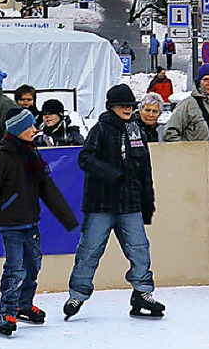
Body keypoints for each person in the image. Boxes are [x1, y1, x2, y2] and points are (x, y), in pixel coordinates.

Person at [0, 108, 78, 336]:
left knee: (33, 264)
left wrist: (67, 218)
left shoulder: (31, 153)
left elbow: (47, 188)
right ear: (17, 130)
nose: (34, 130)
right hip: (10, 223)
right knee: (15, 269)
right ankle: (6, 311)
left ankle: (23, 305)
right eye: (29, 127)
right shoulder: (4, 156)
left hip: (30, 221)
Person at [63, 84, 164, 321]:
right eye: (122, 105)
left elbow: (144, 170)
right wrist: (112, 173)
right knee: (89, 250)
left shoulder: (136, 131)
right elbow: (85, 158)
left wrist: (147, 203)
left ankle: (142, 293)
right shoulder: (100, 129)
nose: (127, 109)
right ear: (112, 107)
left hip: (130, 204)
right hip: (101, 204)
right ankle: (77, 294)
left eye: (130, 105)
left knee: (140, 250)